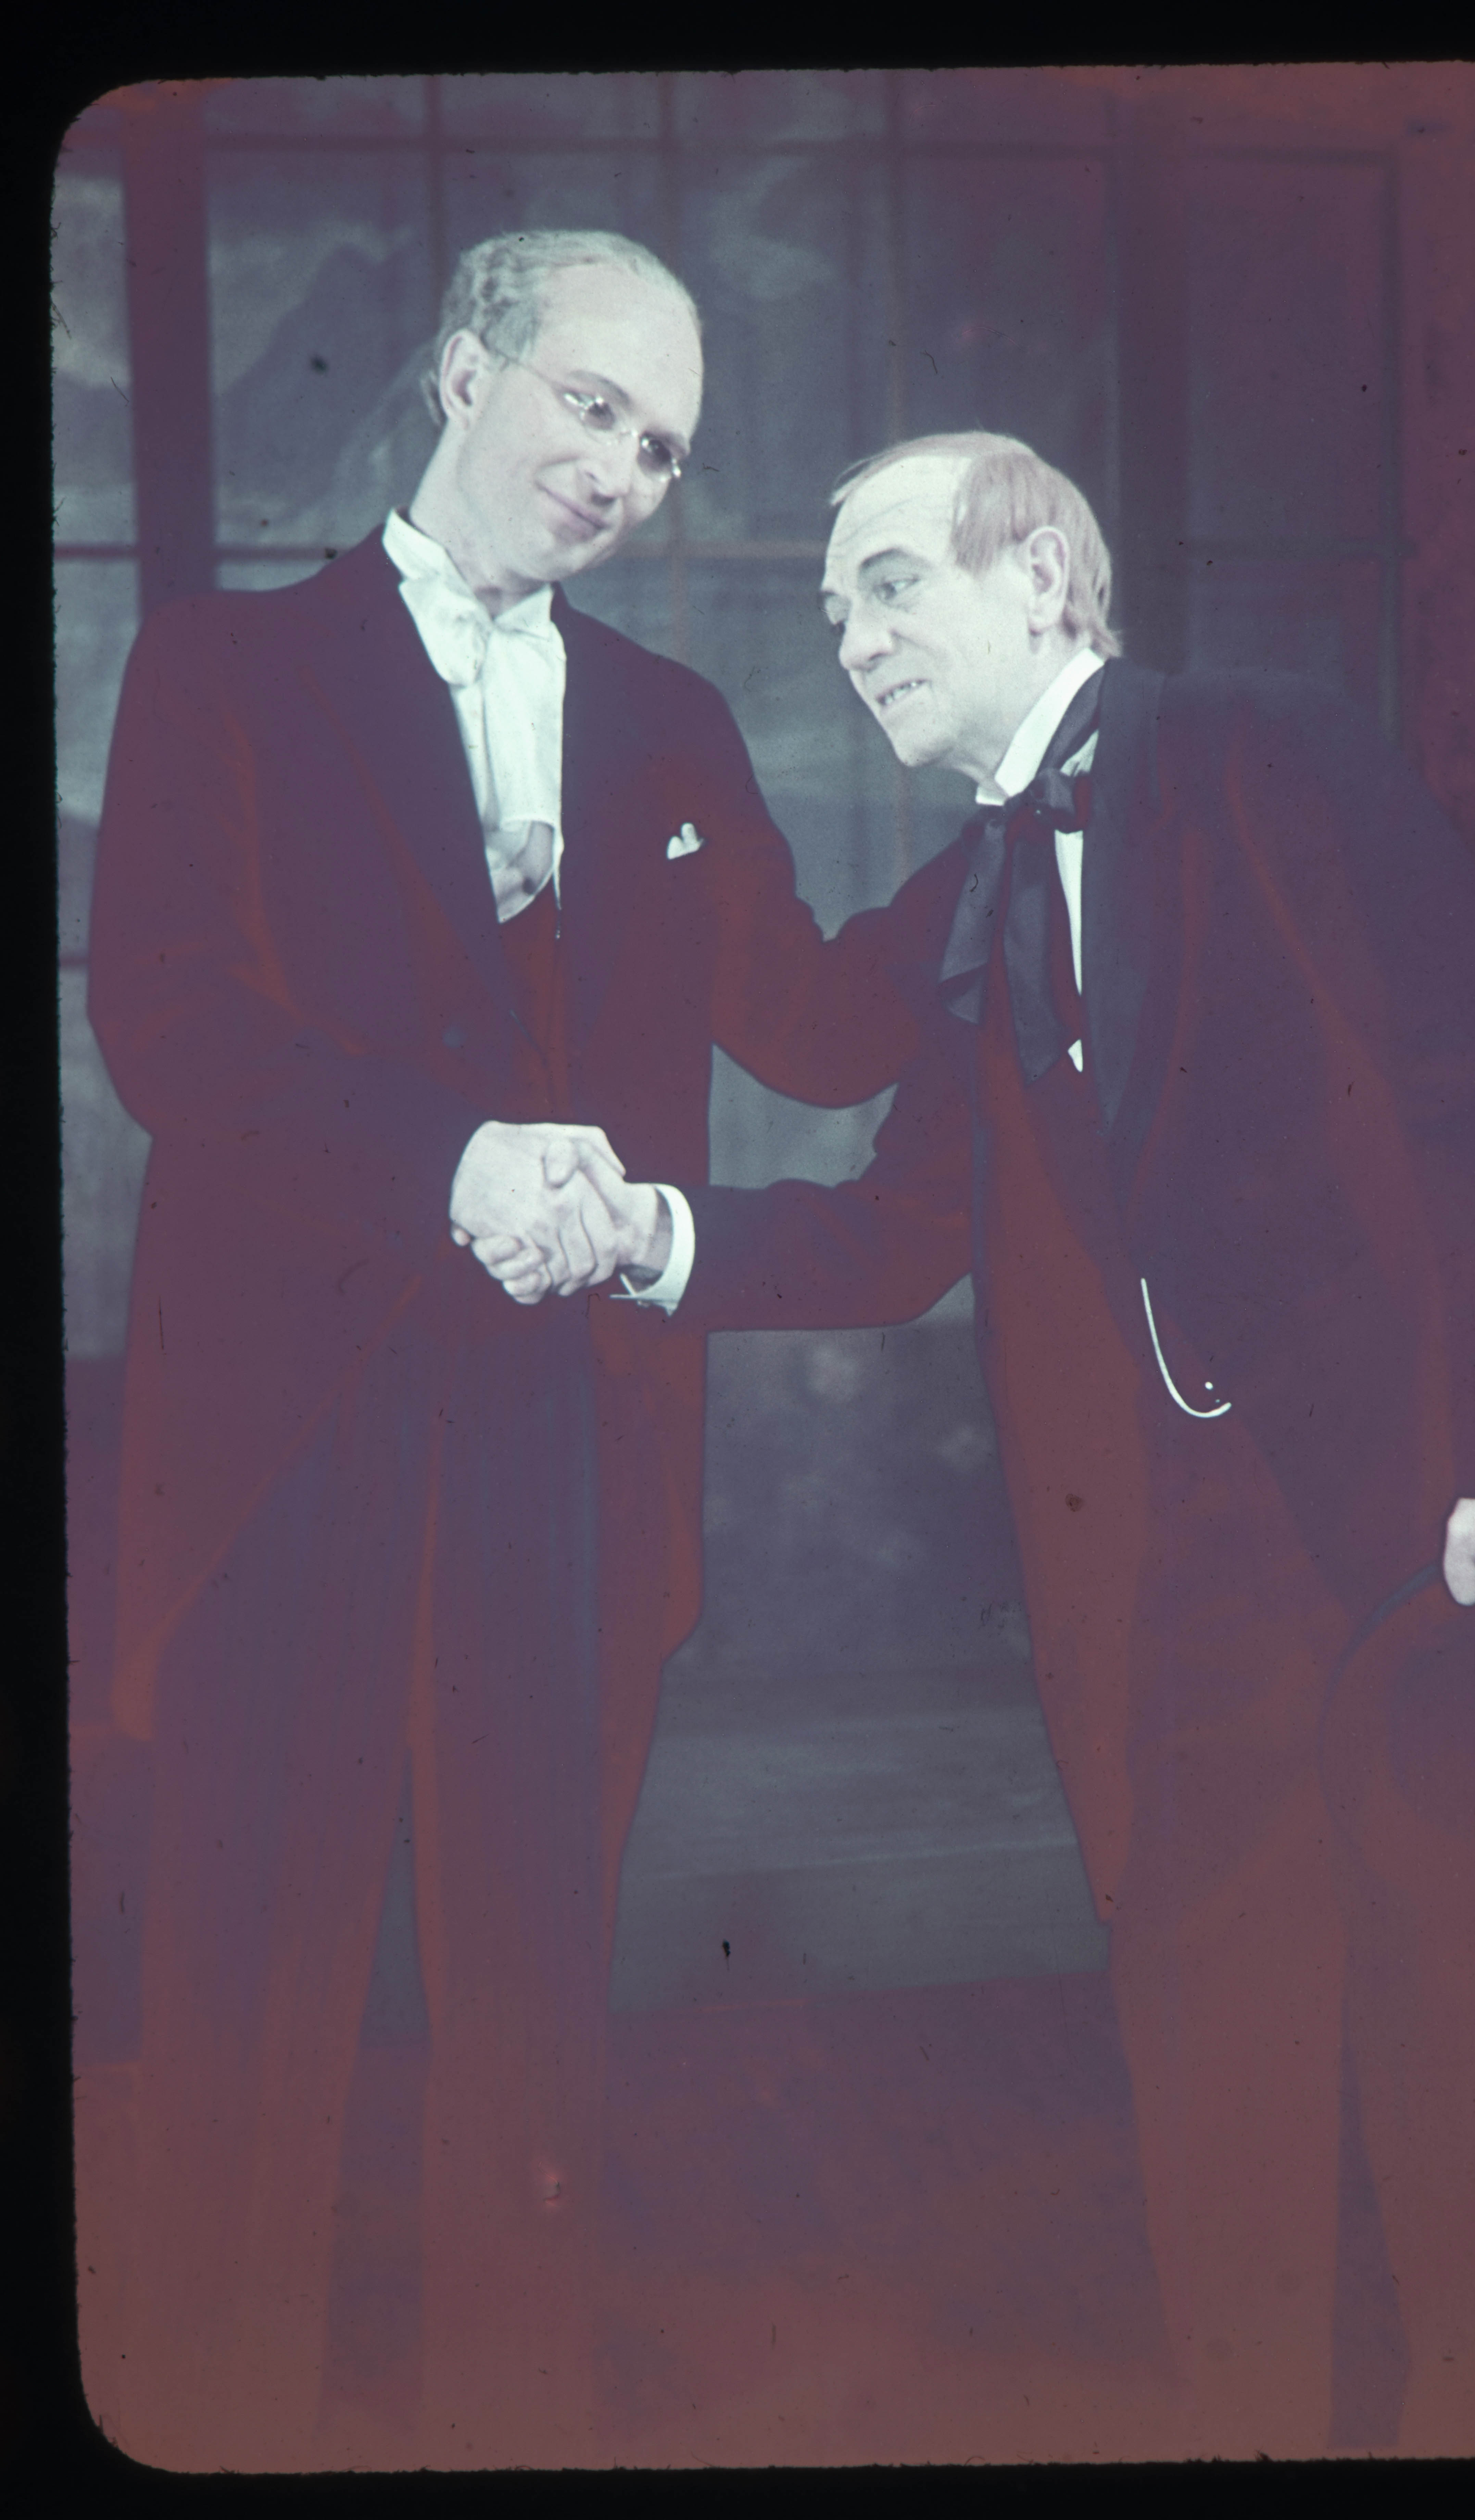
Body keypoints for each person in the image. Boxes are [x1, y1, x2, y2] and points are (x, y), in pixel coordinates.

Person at [504, 433, 1475, 2458]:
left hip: (1416, 1545)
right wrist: (645, 1237)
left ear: (1039, 577)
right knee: (1216, 2101)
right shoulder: (981, 887)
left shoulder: (1271, 749)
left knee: (1465, 2087)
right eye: (830, 609)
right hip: (1179, 1601)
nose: (851, 639)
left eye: (888, 584)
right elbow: (891, 1231)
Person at [85, 229, 919, 2470]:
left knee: (534, 1995)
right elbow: (168, 1021)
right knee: (249, 1987)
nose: (626, 471)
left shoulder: (671, 724)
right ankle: (204, 2422)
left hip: (571, 1443)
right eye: (593, 407)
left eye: (665, 446)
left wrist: (1026, 800)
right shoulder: (223, 669)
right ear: (467, 371)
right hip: (291, 1435)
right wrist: (444, 1158)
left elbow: (815, 1029)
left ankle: (515, 2425)